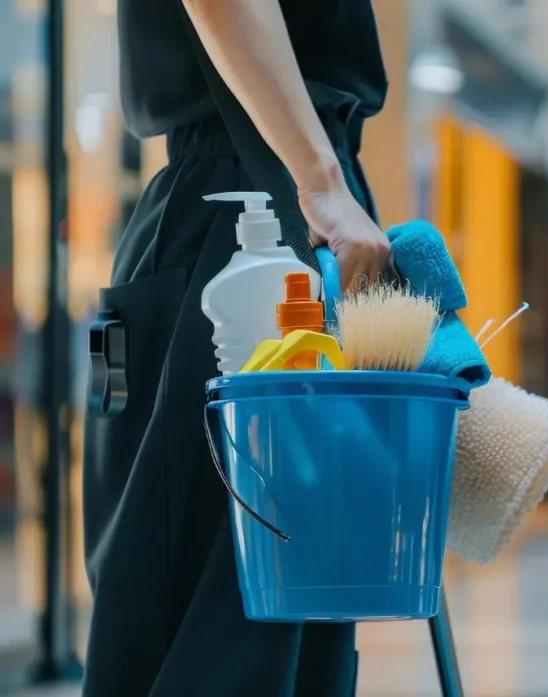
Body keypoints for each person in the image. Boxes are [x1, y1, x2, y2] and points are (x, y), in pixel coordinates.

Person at [84, 1, 392, 694]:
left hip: (273, 205)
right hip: (239, 211)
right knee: (221, 622)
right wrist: (321, 182)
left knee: (284, 613)